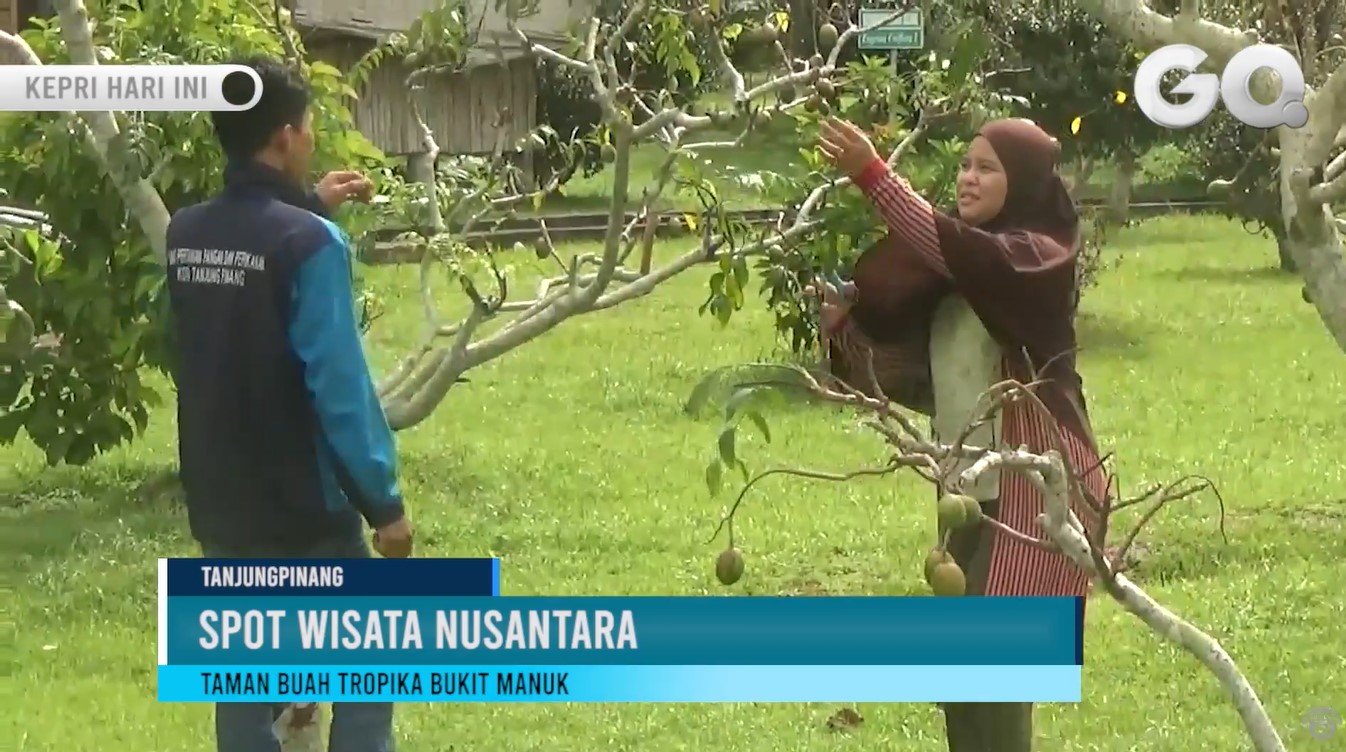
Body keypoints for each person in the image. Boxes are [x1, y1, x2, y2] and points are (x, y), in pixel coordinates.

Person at [813, 117, 1111, 752]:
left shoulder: (1031, 262)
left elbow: (945, 241)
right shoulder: (956, 284)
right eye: (966, 165)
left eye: (988, 168)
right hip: (967, 493)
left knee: (997, 678)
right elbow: (925, 388)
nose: (968, 179)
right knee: (961, 679)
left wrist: (874, 175)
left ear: (1024, 182)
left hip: (1038, 490)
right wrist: (846, 331)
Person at [164, 56, 410, 752]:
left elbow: (240, 282)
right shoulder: (309, 245)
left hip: (220, 496)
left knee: (243, 683)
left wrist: (307, 206)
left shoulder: (186, 234)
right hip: (306, 507)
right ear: (282, 136)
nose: (309, 139)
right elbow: (339, 388)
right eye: (306, 127)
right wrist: (384, 505)